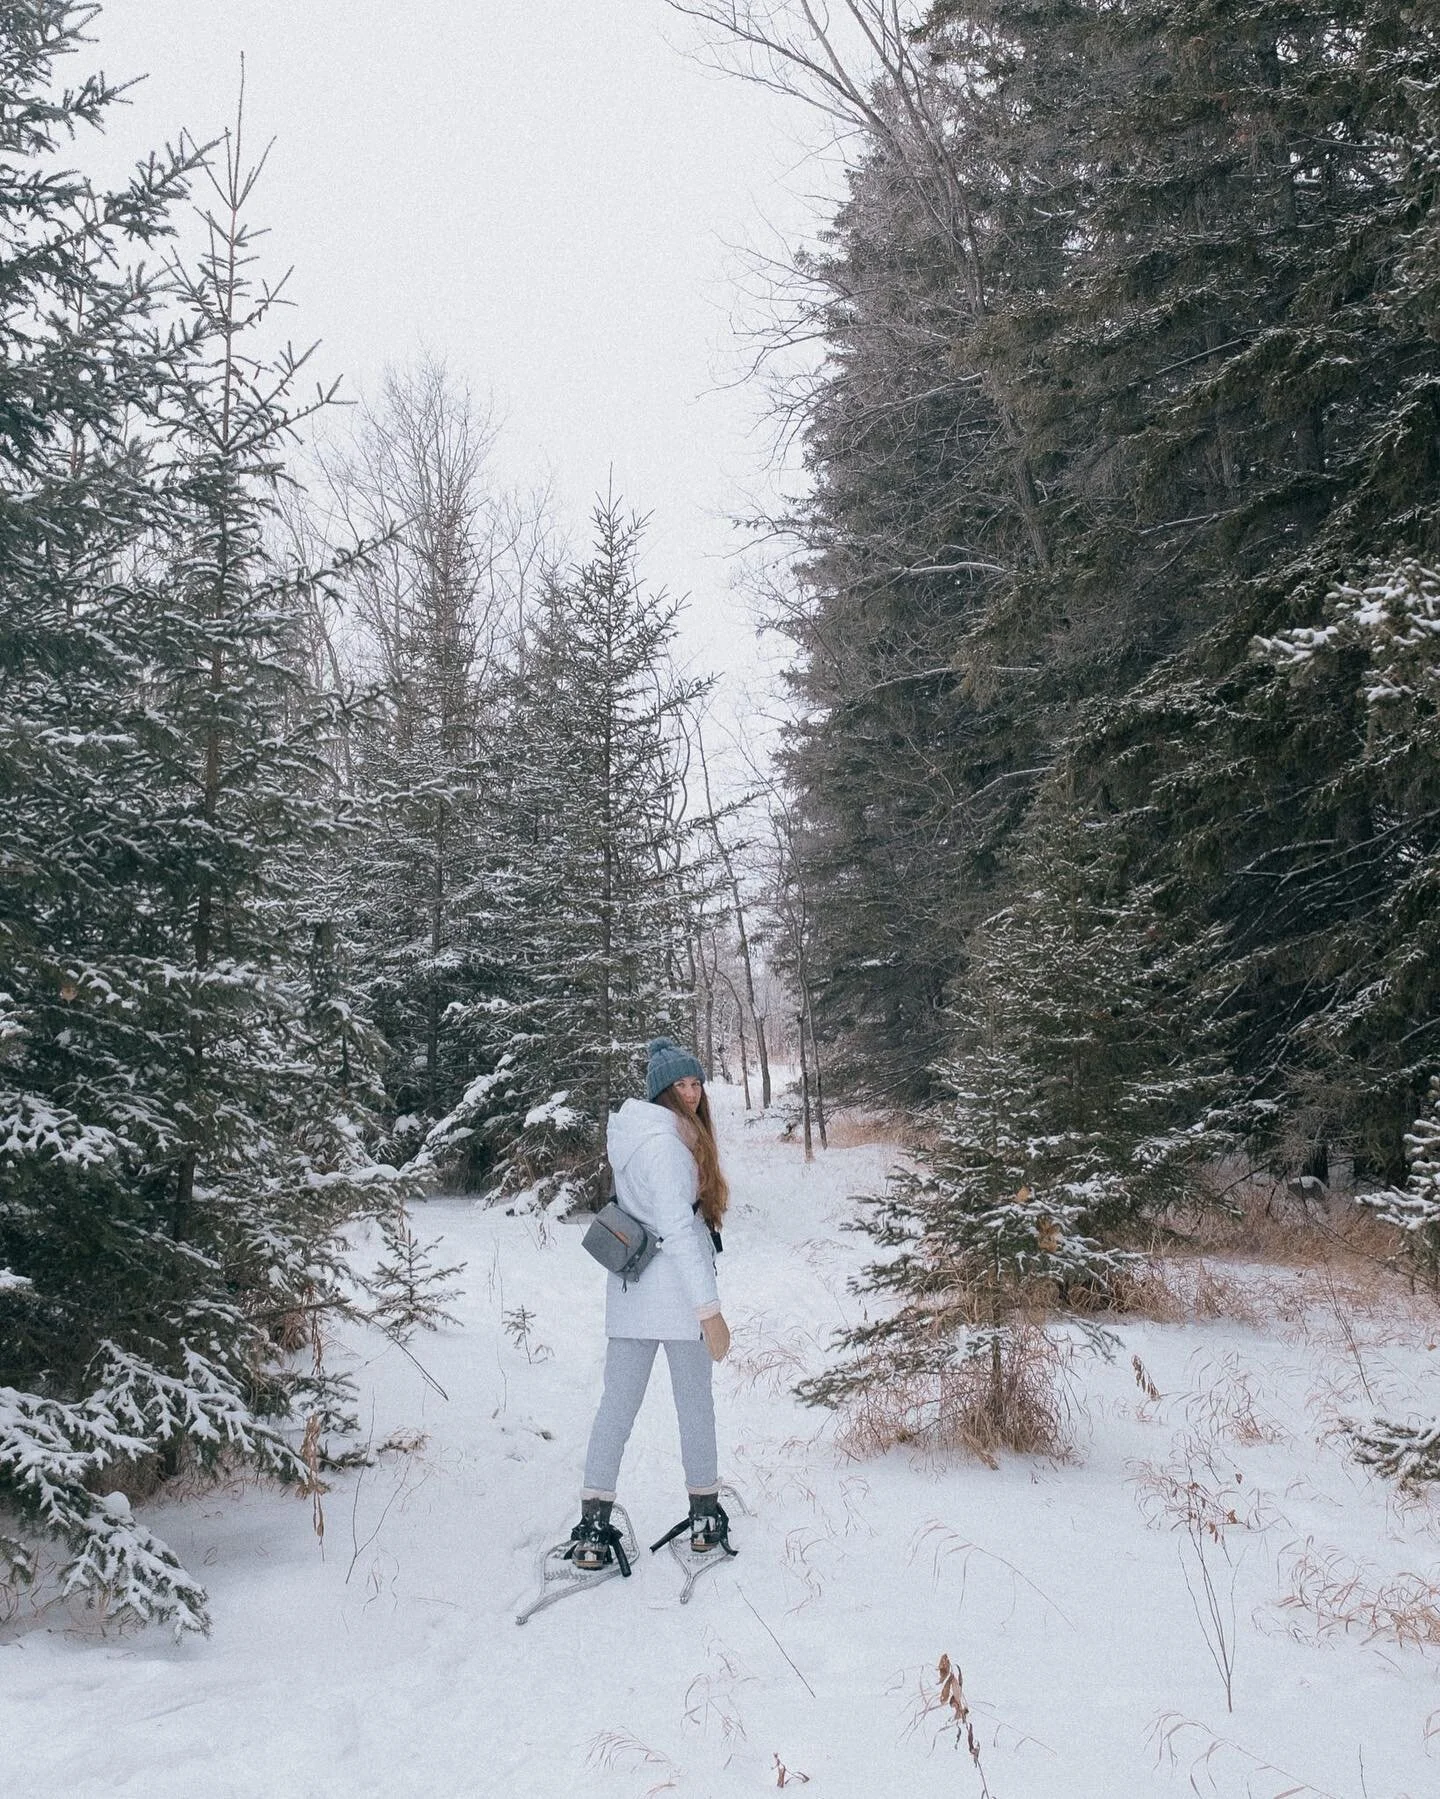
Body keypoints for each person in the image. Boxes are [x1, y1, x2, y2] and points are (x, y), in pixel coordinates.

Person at [568, 1038, 733, 1571]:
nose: (691, 1093)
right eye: (680, 1085)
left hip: (631, 1293)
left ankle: (594, 1526)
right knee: (694, 1407)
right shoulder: (666, 1148)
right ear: (660, 1092)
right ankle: (704, 1518)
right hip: (677, 1300)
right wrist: (709, 1310)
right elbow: (679, 1233)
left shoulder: (636, 1136)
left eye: (695, 1083)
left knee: (615, 1409)